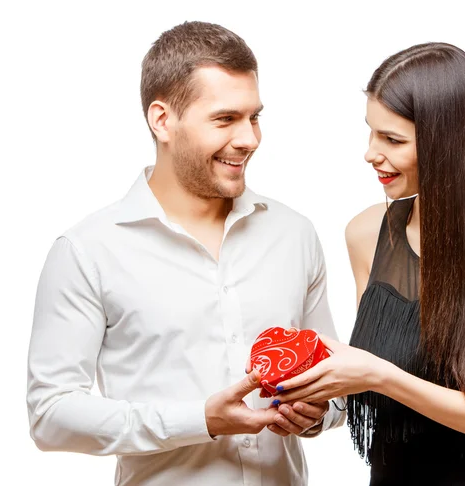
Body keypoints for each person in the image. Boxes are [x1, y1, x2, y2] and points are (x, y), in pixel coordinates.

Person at [26, 21, 344, 486]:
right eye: (225, 119)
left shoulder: (293, 233)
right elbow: (50, 415)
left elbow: (335, 379)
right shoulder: (87, 251)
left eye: (254, 117)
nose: (249, 138)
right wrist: (200, 420)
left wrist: (318, 413)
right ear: (162, 121)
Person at [274, 43, 465, 485]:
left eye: (392, 140)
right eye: (371, 132)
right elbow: (374, 378)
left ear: (448, 146)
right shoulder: (366, 234)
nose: (370, 153)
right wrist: (314, 409)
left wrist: (380, 376)